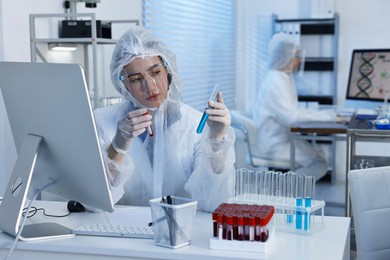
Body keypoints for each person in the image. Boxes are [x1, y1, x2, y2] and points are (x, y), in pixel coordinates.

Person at [94, 27, 236, 212]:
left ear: (168, 71)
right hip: (122, 232)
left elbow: (212, 201)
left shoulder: (194, 125)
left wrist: (216, 139)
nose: (150, 86)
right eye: (137, 79)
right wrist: (118, 146)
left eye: (155, 73)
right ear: (123, 85)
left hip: (182, 231)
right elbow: (96, 204)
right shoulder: (104, 122)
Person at [252, 33, 345, 180]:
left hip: (280, 139)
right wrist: (330, 116)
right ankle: (284, 189)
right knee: (319, 162)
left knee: (319, 156)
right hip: (273, 145)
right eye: (297, 56)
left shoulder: (282, 76)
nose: (300, 60)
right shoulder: (276, 81)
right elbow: (291, 117)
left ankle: (285, 190)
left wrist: (329, 115)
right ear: (286, 56)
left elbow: (292, 111)